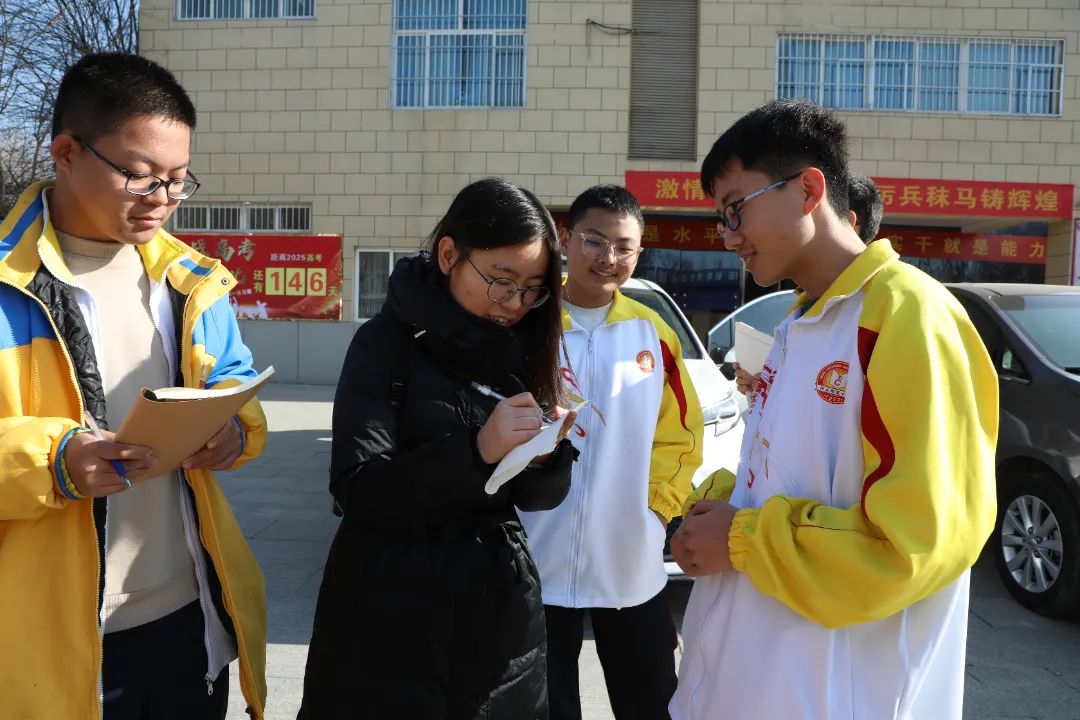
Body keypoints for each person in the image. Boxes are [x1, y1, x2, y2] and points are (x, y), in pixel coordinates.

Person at [669, 100, 998, 719]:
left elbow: (912, 547)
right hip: (755, 680)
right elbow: (796, 475)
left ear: (808, 189)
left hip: (836, 693)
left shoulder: (906, 314)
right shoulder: (801, 319)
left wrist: (741, 537)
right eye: (720, 219)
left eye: (736, 208)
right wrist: (722, 505)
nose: (729, 237)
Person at [0, 53, 269, 719]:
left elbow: (236, 382)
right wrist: (53, 461)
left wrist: (233, 432)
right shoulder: (8, 285)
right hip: (48, 640)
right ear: (67, 152)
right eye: (141, 176)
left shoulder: (190, 282)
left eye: (178, 181)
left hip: (188, 617)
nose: (162, 200)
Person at [298, 177, 578, 720]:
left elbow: (535, 498)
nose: (516, 304)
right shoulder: (385, 345)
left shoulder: (522, 347)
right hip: (389, 606)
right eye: (502, 281)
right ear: (449, 255)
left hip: (498, 601)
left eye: (532, 289)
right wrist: (478, 450)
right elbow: (358, 488)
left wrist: (545, 458)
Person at [519, 185, 704, 720]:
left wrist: (656, 513)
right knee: (544, 708)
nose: (608, 258)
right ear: (566, 239)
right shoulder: (527, 324)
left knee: (649, 702)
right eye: (595, 241)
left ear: (639, 253)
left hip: (629, 561)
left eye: (624, 247)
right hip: (537, 557)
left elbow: (681, 436)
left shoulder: (654, 333)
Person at [732, 172, 884, 396]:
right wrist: (762, 387)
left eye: (814, 213)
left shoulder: (892, 309)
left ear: (848, 223)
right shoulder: (801, 312)